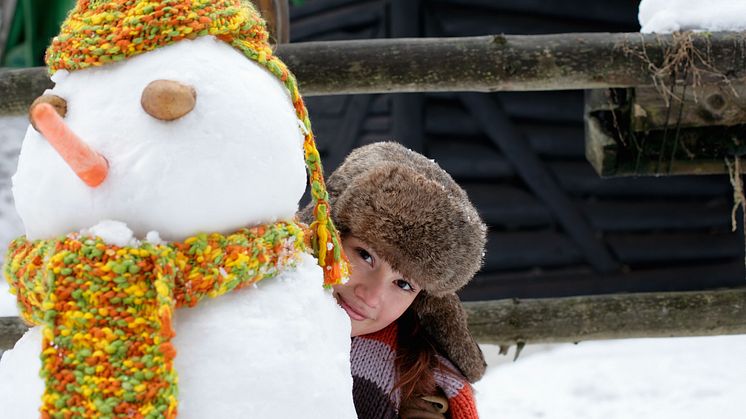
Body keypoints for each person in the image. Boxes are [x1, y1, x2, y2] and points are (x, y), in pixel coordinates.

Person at [301, 142, 487, 418]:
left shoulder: (422, 391)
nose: (371, 296)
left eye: (403, 284)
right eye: (365, 256)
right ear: (328, 235)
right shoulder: (241, 313)